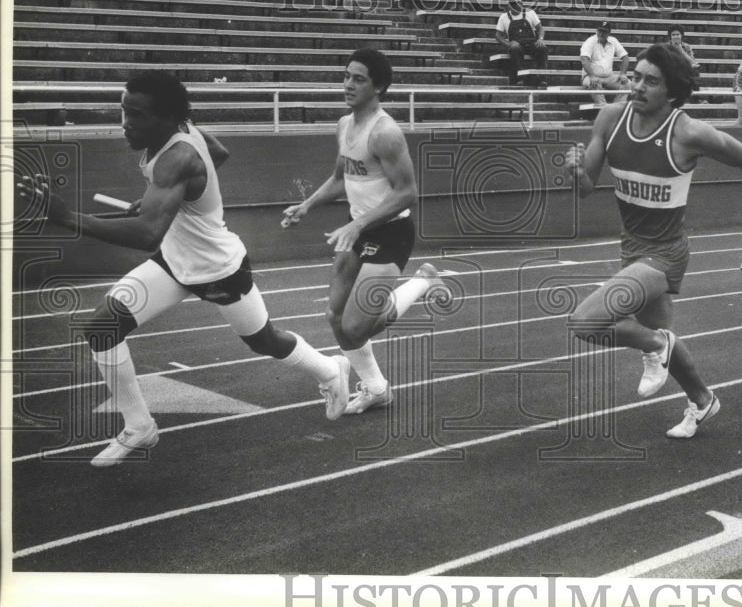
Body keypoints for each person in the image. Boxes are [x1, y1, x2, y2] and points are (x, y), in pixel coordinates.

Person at [16, 71, 351, 467]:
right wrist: (175, 200)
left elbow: (145, 235)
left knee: (264, 341)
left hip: (218, 269)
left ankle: (332, 370)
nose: (124, 122)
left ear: (165, 118)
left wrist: (68, 217)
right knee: (102, 329)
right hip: (175, 262)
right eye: (123, 110)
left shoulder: (176, 157)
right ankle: (139, 426)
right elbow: (219, 154)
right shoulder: (185, 128)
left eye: (135, 114)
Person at [564, 44, 742, 438]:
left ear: (672, 93)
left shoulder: (687, 131)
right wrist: (577, 172)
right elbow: (587, 189)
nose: (637, 86)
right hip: (632, 249)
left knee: (585, 322)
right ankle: (702, 399)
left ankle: (654, 344)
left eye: (650, 82)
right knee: (667, 344)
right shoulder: (610, 118)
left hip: (666, 254)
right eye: (635, 76)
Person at [282, 48, 446, 416]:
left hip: (390, 234)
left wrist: (358, 222)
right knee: (336, 318)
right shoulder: (344, 125)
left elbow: (408, 193)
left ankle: (422, 282)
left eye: (358, 79)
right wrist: (307, 205)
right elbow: (341, 179)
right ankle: (376, 389)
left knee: (356, 328)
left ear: (379, 86)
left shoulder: (385, 133)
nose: (348, 84)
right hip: (359, 233)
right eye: (346, 76)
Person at [495, 0, 548, 88]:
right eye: (512, 4)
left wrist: (540, 39)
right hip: (516, 44)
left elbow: (540, 28)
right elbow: (498, 36)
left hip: (530, 42)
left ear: (521, 3)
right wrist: (509, 44)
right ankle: (521, 78)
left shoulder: (530, 13)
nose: (514, 6)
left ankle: (542, 77)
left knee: (542, 48)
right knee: (514, 49)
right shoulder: (503, 17)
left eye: (517, 3)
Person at [580, 20, 630, 105]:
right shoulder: (590, 41)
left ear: (609, 33)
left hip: (609, 77)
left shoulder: (613, 41)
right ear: (597, 31)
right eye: (600, 31)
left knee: (627, 84)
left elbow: (625, 57)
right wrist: (592, 76)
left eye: (605, 32)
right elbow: (584, 59)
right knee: (594, 84)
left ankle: (616, 108)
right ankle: (604, 109)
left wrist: (623, 74)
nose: (601, 34)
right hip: (590, 76)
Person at [663, 24, 701, 91]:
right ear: (670, 37)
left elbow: (694, 63)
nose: (675, 37)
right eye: (673, 35)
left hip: (684, 71)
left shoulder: (686, 46)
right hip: (671, 71)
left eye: (677, 34)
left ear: (681, 36)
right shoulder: (666, 46)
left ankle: (692, 87)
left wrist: (682, 51)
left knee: (695, 69)